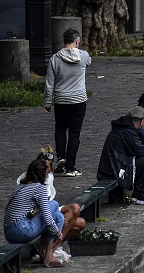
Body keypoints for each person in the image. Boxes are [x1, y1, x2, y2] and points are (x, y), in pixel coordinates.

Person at [17, 147, 86, 262]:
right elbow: (35, 209)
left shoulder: (49, 176)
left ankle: (53, 246)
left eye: (48, 167)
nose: (47, 170)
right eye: (44, 166)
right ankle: (50, 248)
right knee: (72, 212)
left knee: (80, 222)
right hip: (36, 216)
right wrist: (56, 218)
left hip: (47, 210)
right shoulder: (28, 181)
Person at [44, 28, 91, 177]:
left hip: (61, 100)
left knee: (60, 129)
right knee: (74, 133)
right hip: (78, 100)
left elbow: (49, 84)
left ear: (64, 41)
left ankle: (61, 157)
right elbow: (88, 62)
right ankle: (71, 168)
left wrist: (47, 103)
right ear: (77, 41)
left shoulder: (54, 59)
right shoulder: (83, 56)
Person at [4, 159, 65, 267]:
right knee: (55, 205)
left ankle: (45, 252)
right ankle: (48, 253)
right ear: (42, 173)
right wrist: (58, 233)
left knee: (58, 216)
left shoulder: (20, 186)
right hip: (21, 229)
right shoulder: (39, 188)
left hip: (9, 231)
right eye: (47, 172)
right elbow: (46, 216)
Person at [97, 107, 144, 206]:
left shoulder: (123, 127)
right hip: (116, 169)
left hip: (113, 165)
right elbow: (138, 150)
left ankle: (139, 193)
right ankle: (143, 195)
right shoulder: (128, 131)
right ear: (141, 121)